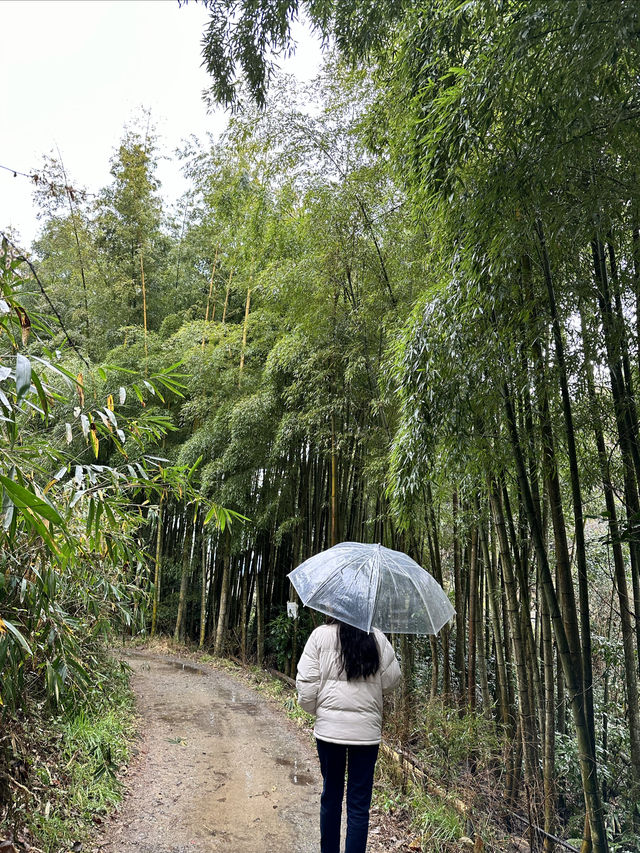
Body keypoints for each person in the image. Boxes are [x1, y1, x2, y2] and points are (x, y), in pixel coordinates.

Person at [296, 619, 402, 853]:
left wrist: (321, 712)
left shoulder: (319, 636)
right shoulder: (377, 638)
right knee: (358, 805)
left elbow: (305, 688)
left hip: (329, 733)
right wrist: (371, 688)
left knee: (331, 796)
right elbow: (393, 680)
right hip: (366, 735)